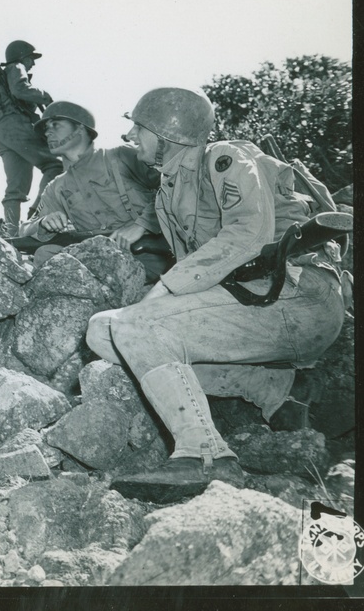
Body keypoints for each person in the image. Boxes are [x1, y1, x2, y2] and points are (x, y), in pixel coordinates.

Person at [85, 86, 346, 503]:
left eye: (139, 127)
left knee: (136, 324)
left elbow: (248, 232)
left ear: (166, 135)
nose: (132, 136)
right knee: (104, 331)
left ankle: (205, 456)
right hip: (254, 306)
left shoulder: (224, 158)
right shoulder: (168, 191)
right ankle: (275, 392)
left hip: (297, 296)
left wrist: (164, 289)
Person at [16, 101, 166, 280]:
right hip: (102, 263)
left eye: (55, 125)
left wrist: (141, 225)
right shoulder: (57, 187)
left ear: (80, 128)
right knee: (46, 253)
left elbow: (171, 187)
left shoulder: (120, 156)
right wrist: (43, 223)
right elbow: (24, 230)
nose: (47, 132)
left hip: (152, 256)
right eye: (46, 128)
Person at [0, 40, 63, 236]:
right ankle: (38, 212)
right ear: (22, 57)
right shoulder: (16, 67)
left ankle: (11, 232)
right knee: (54, 165)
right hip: (16, 126)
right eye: (31, 59)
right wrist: (45, 96)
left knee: (16, 187)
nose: (32, 64)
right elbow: (20, 90)